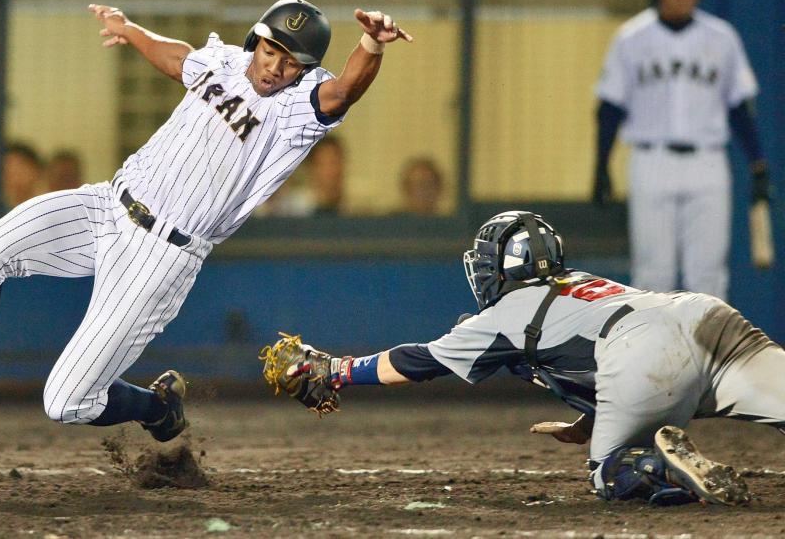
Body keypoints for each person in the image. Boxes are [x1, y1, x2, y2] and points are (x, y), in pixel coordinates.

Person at [0, 0, 413, 444]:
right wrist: (129, 31)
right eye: (272, 49)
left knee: (66, 402)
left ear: (304, 69)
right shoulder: (223, 64)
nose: (277, 65)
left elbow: (345, 89)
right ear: (256, 40)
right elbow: (178, 60)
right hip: (108, 203)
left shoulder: (295, 113)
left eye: (292, 61)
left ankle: (157, 406)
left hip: (163, 254)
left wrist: (369, 44)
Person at [261, 210, 784, 505]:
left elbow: (418, 362)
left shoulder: (507, 313)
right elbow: (633, 344)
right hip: (703, 317)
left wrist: (338, 372)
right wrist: (588, 418)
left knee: (609, 475)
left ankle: (658, 468)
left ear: (502, 270)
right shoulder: (580, 284)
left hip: (643, 357)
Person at [592, 0, 771, 301]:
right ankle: (653, 357)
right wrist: (601, 165)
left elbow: (739, 108)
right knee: (652, 272)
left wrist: (757, 163)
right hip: (650, 159)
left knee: (707, 275)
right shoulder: (631, 38)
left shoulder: (721, 38)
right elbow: (609, 109)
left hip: (706, 161)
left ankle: (706, 357)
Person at [2, 142, 45, 209]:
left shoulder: (48, 205)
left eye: (18, 170)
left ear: (35, 170)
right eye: (8, 171)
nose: (13, 178)